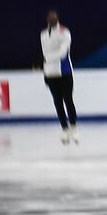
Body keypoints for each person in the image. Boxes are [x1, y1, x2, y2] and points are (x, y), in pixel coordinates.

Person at [40, 10, 78, 144]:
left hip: (64, 71)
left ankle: (74, 128)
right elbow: (44, 51)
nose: (51, 20)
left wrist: (48, 59)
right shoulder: (43, 34)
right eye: (49, 18)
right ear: (47, 20)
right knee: (57, 101)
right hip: (50, 73)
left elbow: (63, 53)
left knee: (68, 99)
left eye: (54, 18)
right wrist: (45, 71)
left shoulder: (64, 32)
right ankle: (64, 128)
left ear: (57, 19)